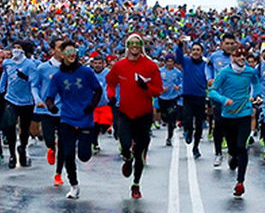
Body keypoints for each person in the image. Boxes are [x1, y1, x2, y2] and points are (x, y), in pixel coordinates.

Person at [105, 34, 163, 199]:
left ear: (142, 46)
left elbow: (158, 90)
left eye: (138, 44)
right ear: (127, 46)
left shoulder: (151, 66)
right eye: (131, 44)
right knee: (124, 143)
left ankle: (136, 184)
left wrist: (146, 88)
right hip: (125, 112)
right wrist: (111, 95)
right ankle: (126, 157)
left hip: (144, 115)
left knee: (140, 151)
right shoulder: (120, 65)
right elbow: (110, 82)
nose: (135, 47)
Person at [43, 40, 102, 199]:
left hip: (85, 118)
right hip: (67, 118)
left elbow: (98, 90)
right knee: (67, 153)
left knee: (84, 155)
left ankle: (85, 148)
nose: (71, 55)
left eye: (73, 52)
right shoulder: (57, 76)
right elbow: (50, 97)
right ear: (62, 55)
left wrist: (91, 106)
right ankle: (74, 185)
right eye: (67, 53)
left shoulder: (86, 72)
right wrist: (51, 107)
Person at [208, 46, 261, 197]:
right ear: (232, 58)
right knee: (232, 148)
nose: (241, 60)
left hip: (244, 112)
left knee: (241, 146)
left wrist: (256, 95)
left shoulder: (250, 71)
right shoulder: (225, 72)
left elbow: (256, 83)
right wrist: (224, 100)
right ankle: (232, 157)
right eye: (238, 57)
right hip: (228, 115)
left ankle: (240, 182)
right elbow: (212, 90)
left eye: (243, 57)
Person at [0, 41, 37, 168]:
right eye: (14, 48)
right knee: (9, 125)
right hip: (11, 99)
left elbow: (35, 81)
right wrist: (1, 89)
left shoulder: (30, 65)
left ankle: (23, 149)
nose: (16, 51)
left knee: (24, 129)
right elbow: (5, 76)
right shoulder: (8, 63)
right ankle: (12, 154)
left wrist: (25, 77)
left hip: (27, 101)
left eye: (19, 48)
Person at [174, 37, 213, 158]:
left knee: (200, 124)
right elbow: (178, 57)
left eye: (198, 50)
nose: (195, 52)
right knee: (188, 119)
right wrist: (180, 46)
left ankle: (196, 147)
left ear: (202, 52)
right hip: (188, 96)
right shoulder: (186, 61)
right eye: (194, 50)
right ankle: (188, 132)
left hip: (200, 97)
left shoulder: (205, 65)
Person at [31, 39, 64, 170]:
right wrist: (38, 99)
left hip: (64, 110)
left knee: (64, 143)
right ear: (52, 50)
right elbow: (34, 86)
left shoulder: (71, 69)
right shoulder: (43, 68)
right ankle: (51, 147)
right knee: (49, 140)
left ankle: (59, 173)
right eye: (60, 48)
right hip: (47, 110)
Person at [158, 54, 182, 147]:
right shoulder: (160, 72)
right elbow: (156, 82)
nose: (170, 64)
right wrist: (161, 88)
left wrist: (178, 87)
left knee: (171, 116)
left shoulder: (177, 72)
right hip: (163, 97)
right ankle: (165, 119)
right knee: (164, 116)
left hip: (173, 97)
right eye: (168, 62)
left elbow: (181, 82)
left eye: (171, 62)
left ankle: (169, 137)